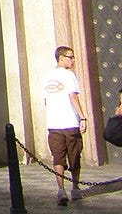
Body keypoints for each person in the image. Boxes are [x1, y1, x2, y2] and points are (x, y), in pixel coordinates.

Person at [44, 45, 86, 205]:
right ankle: (74, 188)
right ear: (61, 58)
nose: (73, 60)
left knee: (59, 158)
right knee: (74, 157)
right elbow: (73, 97)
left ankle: (61, 190)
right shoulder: (69, 75)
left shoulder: (48, 76)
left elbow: (46, 100)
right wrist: (82, 117)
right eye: (71, 57)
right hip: (69, 123)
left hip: (53, 124)